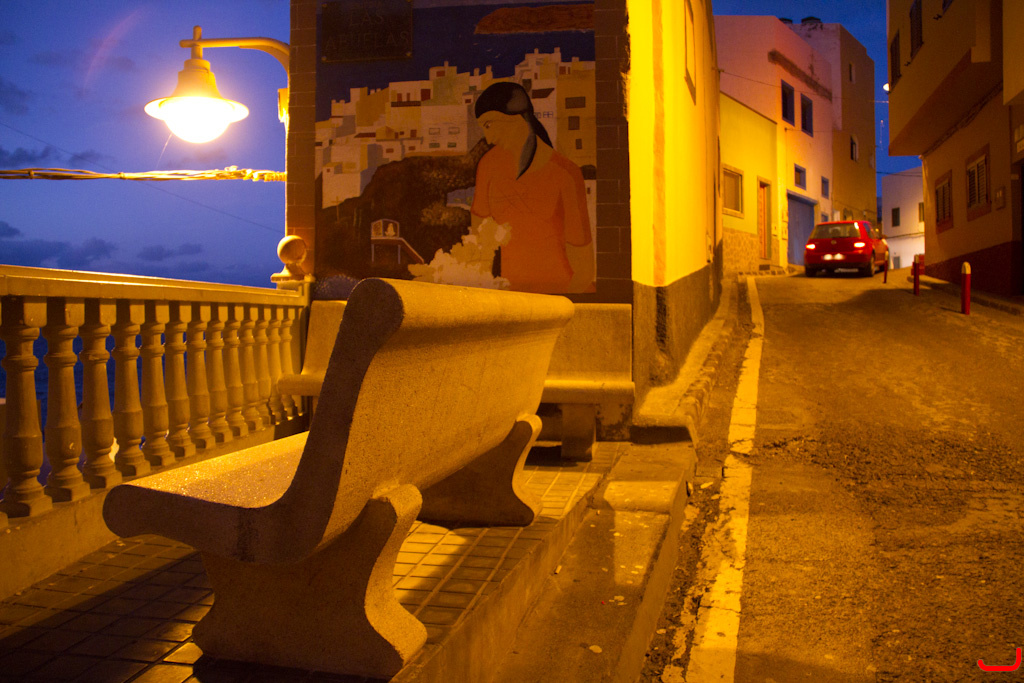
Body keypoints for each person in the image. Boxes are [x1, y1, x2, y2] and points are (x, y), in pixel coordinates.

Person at [471, 82, 595, 293]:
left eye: (489, 125)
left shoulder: (566, 174)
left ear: (517, 118)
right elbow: (479, 248)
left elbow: (583, 271)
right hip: (513, 299)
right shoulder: (488, 166)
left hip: (560, 298)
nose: (488, 139)